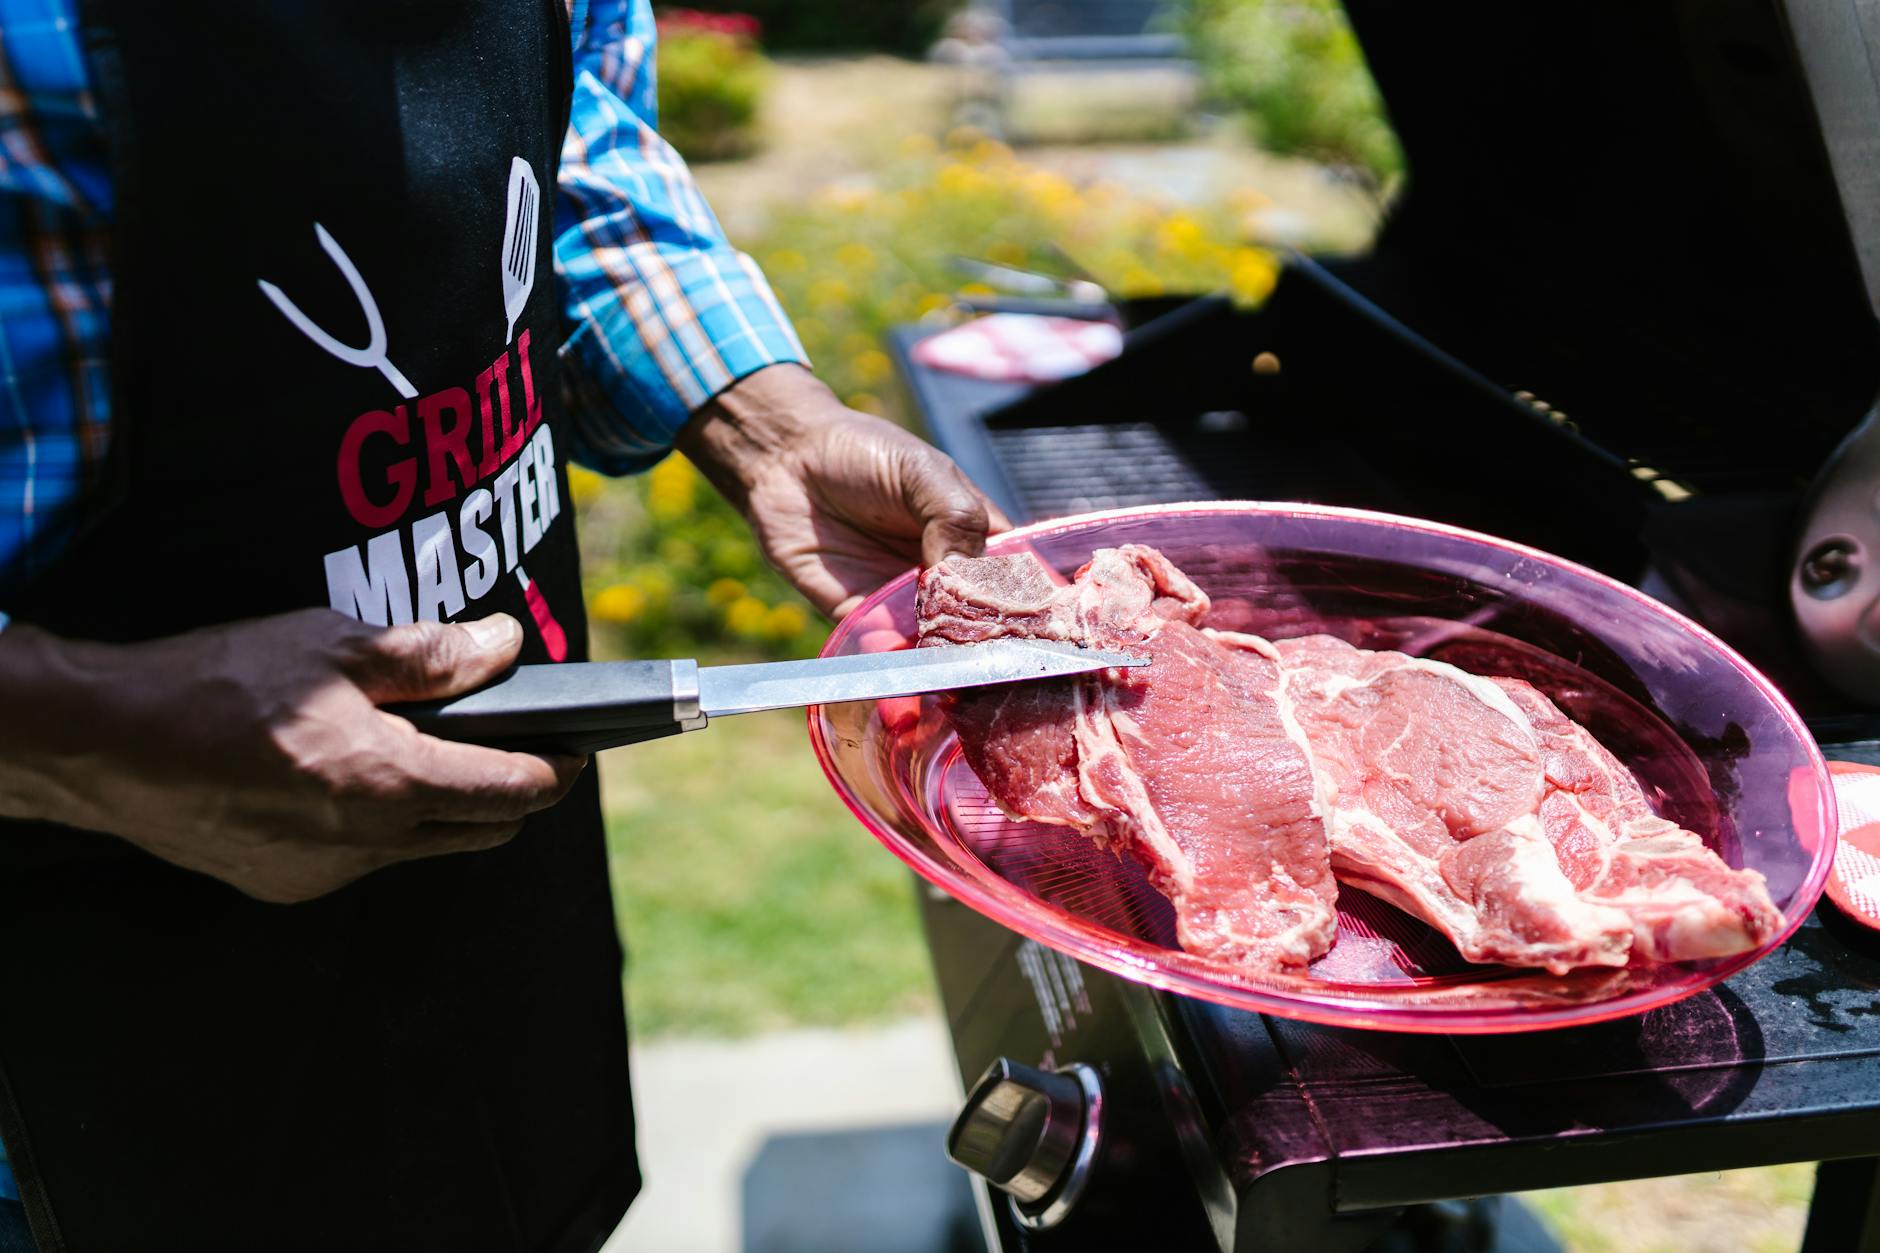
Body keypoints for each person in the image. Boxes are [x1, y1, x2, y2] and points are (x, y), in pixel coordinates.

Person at [0, 0, 1005, 1248]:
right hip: (88, 1053)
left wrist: (767, 423)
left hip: (496, 955)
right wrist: (89, 735)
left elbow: (575, 158)